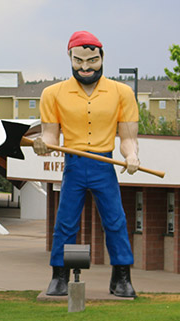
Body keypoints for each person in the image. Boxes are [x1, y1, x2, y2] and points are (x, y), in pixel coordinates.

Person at [32, 31, 139, 298]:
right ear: (69, 58)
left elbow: (128, 137)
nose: (85, 67)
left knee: (115, 220)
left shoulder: (122, 92)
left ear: (102, 57)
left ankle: (122, 277)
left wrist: (132, 156)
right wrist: (43, 144)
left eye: (92, 60)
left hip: (104, 163)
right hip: (74, 164)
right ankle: (59, 276)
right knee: (65, 221)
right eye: (78, 61)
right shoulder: (52, 93)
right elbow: (50, 136)